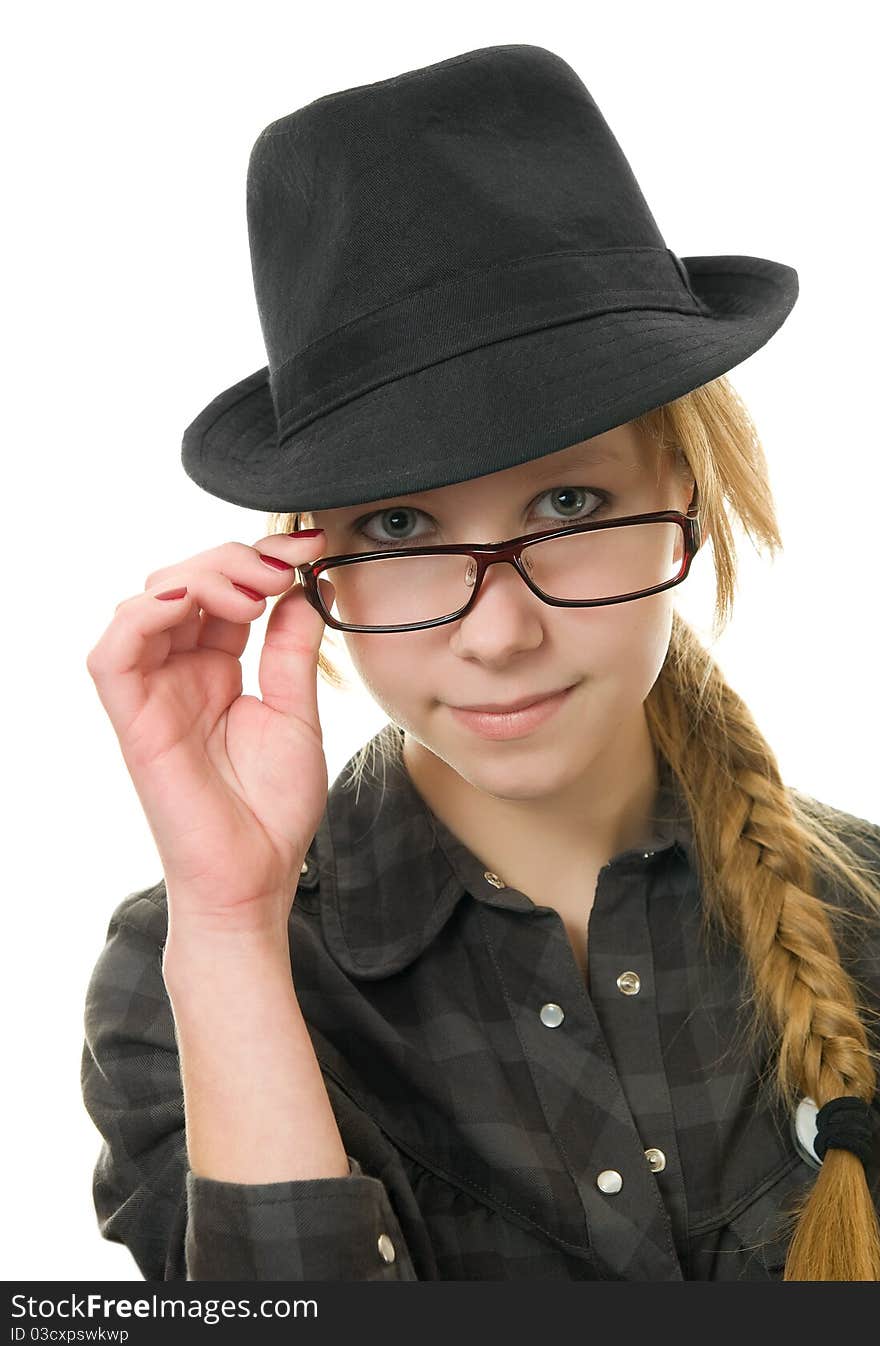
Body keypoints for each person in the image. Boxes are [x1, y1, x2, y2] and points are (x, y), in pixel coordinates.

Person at [81, 44, 880, 1282]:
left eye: (568, 500)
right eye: (398, 528)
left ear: (687, 493)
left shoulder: (865, 911)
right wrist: (233, 926)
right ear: (306, 562)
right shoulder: (182, 975)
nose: (500, 633)